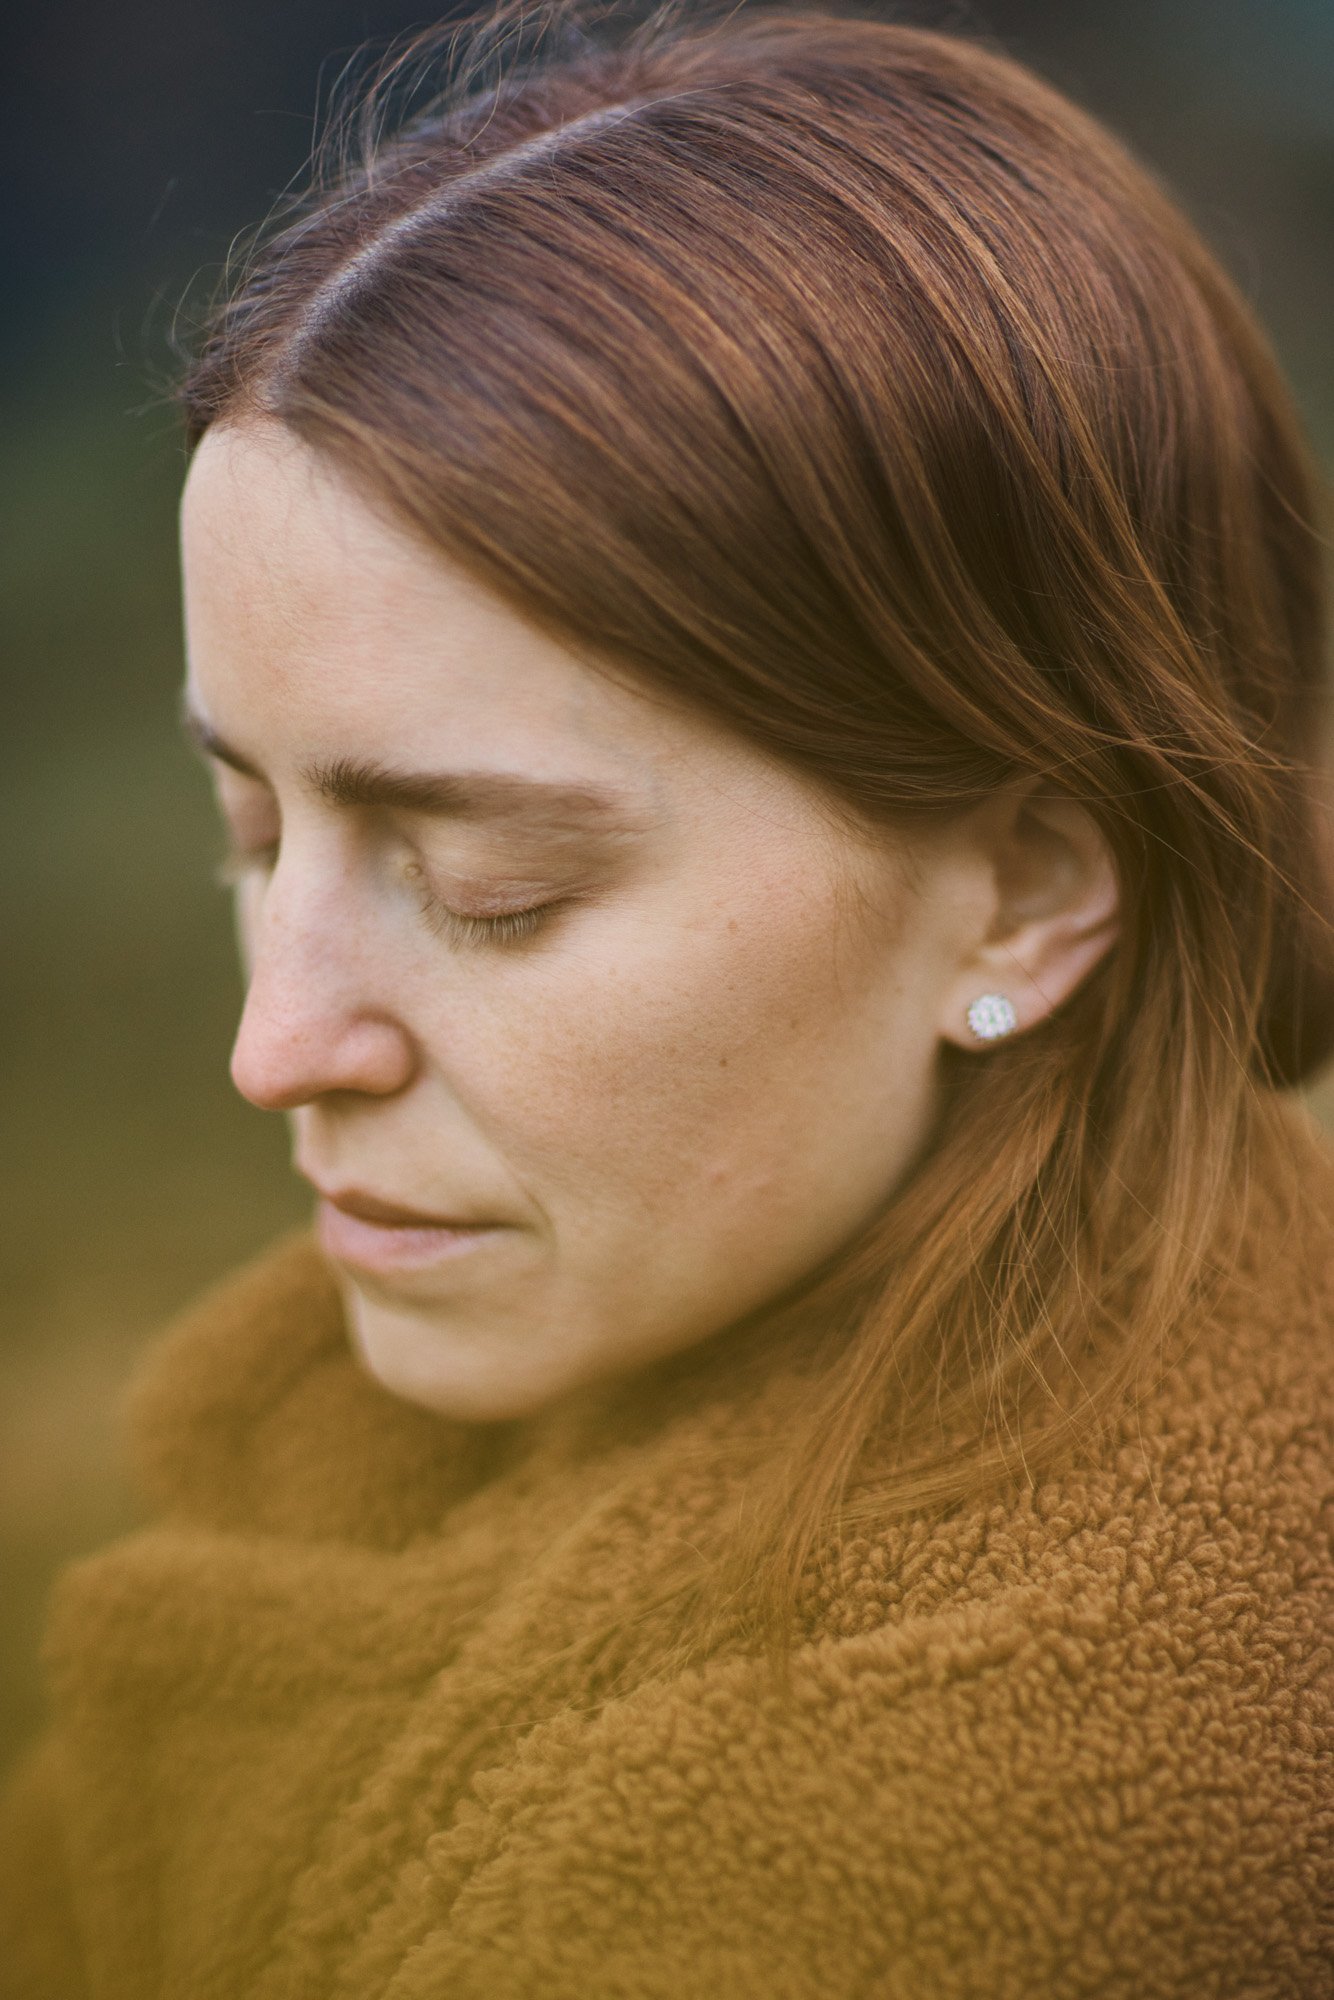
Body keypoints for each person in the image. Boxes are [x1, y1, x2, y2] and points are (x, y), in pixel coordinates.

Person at [3, 4, 1331, 1993]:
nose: (276, 1045)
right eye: (251, 829)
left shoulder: (873, 1871)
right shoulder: (484, 1424)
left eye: (489, 884)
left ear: (1027, 893)